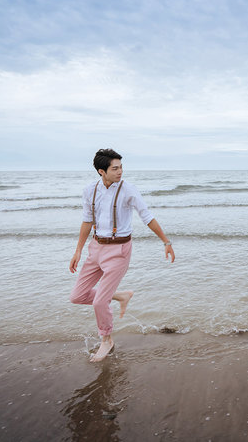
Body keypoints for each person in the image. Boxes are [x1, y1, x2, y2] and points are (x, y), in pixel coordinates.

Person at [69, 148, 175, 361]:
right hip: (96, 248)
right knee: (77, 296)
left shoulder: (129, 190)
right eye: (114, 168)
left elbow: (147, 216)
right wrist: (78, 250)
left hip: (119, 250)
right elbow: (87, 221)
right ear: (102, 171)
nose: (120, 172)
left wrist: (166, 241)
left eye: (121, 167)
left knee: (99, 303)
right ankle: (120, 296)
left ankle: (106, 340)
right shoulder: (90, 190)